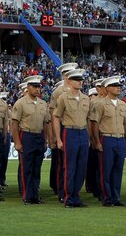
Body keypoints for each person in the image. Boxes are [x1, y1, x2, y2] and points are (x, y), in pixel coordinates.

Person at [89, 76, 126, 207]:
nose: (118, 88)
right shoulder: (100, 104)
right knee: (105, 170)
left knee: (118, 170)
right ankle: (107, 197)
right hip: (106, 137)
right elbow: (94, 124)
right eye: (115, 86)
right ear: (107, 88)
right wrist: (96, 142)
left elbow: (125, 124)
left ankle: (116, 197)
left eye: (119, 86)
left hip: (120, 138)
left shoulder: (123, 104)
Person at [53, 68, 90, 208]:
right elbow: (56, 117)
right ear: (69, 81)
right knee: (70, 167)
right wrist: (58, 138)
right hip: (70, 132)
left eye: (81, 80)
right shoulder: (63, 98)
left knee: (81, 168)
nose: (80, 82)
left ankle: (76, 196)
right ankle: (68, 198)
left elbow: (88, 119)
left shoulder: (86, 98)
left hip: (82, 132)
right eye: (76, 80)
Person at [11, 75, 50, 205]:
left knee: (36, 168)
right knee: (26, 168)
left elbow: (45, 123)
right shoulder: (20, 103)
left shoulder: (43, 104)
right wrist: (17, 141)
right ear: (28, 88)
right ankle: (27, 195)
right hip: (26, 135)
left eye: (39, 86)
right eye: (34, 86)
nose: (37, 89)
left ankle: (34, 195)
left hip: (39, 136)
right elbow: (15, 124)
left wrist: (45, 140)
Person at [48, 62, 78, 201]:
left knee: (73, 163)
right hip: (63, 129)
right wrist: (55, 136)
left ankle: (71, 190)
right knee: (62, 163)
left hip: (76, 129)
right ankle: (62, 190)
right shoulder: (59, 92)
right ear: (65, 76)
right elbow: (53, 115)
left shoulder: (78, 92)